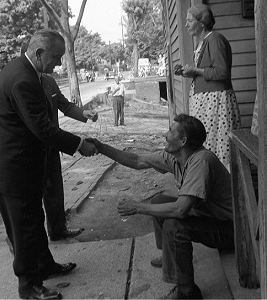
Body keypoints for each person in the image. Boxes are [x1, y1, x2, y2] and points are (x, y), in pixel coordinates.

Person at [0, 29, 98, 300]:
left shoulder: (24, 70)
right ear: (39, 53)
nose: (59, 64)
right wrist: (79, 144)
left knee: (34, 223)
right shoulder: (22, 79)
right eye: (56, 57)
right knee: (24, 231)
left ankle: (45, 266)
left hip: (23, 167)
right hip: (13, 171)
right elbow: (43, 129)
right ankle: (29, 285)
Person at [88, 114, 234, 299]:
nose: (165, 134)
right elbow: (137, 160)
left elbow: (180, 210)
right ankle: (169, 257)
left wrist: (139, 207)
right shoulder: (175, 157)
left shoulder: (201, 161)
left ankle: (187, 291)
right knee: (159, 201)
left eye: (171, 131)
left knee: (176, 226)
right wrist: (101, 147)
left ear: (183, 141)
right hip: (209, 217)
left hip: (230, 229)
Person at [20, 43, 98, 241]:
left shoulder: (49, 82)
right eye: (54, 58)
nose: (58, 63)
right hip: (32, 151)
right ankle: (18, 238)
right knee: (31, 196)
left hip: (52, 146)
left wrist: (84, 113)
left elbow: (64, 105)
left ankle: (57, 229)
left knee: (54, 189)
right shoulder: (23, 83)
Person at [174, 4, 240, 170]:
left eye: (190, 20)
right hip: (206, 103)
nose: (186, 24)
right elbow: (206, 71)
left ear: (201, 23)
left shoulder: (215, 39)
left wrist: (195, 70)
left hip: (216, 103)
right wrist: (190, 72)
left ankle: (223, 183)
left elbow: (222, 72)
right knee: (208, 143)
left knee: (219, 143)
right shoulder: (202, 43)